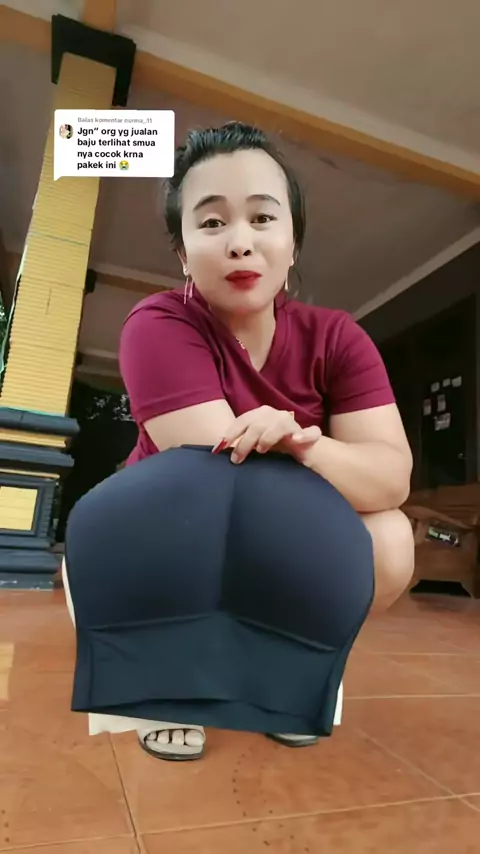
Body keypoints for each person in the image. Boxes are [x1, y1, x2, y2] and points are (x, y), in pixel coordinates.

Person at [64, 121, 414, 761]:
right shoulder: (158, 323)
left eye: (262, 218)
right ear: (183, 253)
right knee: (211, 514)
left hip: (286, 528)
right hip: (173, 536)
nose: (240, 242)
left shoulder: (338, 338)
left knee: (389, 539)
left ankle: (289, 672)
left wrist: (303, 443)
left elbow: (390, 479)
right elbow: (217, 478)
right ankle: (164, 680)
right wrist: (331, 465)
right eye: (212, 222)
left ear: (292, 242)